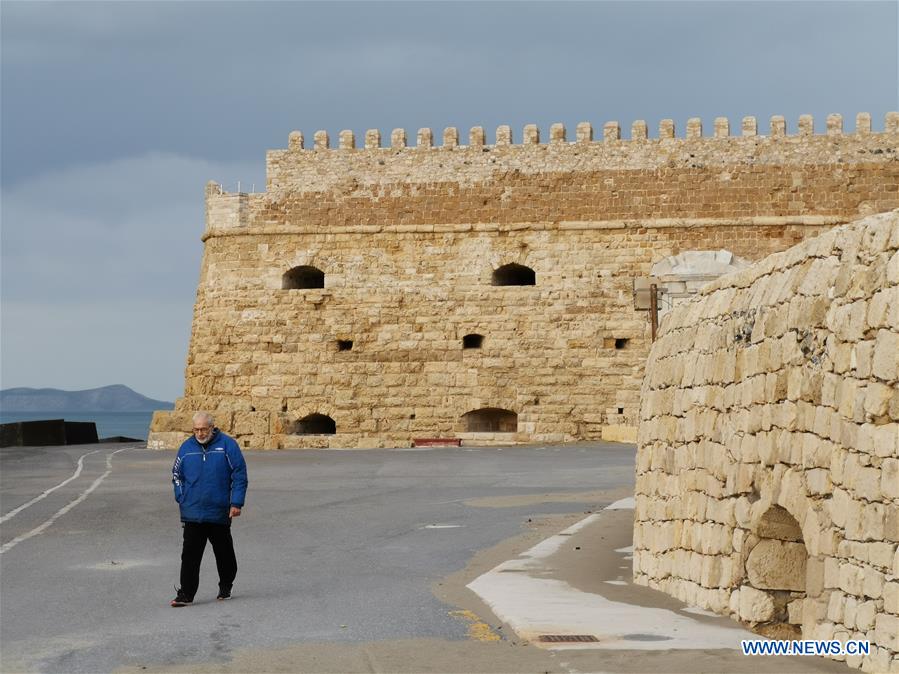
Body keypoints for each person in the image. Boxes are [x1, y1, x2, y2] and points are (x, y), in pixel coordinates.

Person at [170, 411, 248, 607]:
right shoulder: (186, 448)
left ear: (212, 427)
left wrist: (236, 503)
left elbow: (239, 474)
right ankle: (186, 594)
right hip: (192, 511)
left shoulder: (227, 446)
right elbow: (176, 475)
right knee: (190, 555)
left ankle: (226, 585)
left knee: (224, 553)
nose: (200, 433)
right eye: (196, 429)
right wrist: (181, 496)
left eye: (204, 429)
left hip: (218, 511)